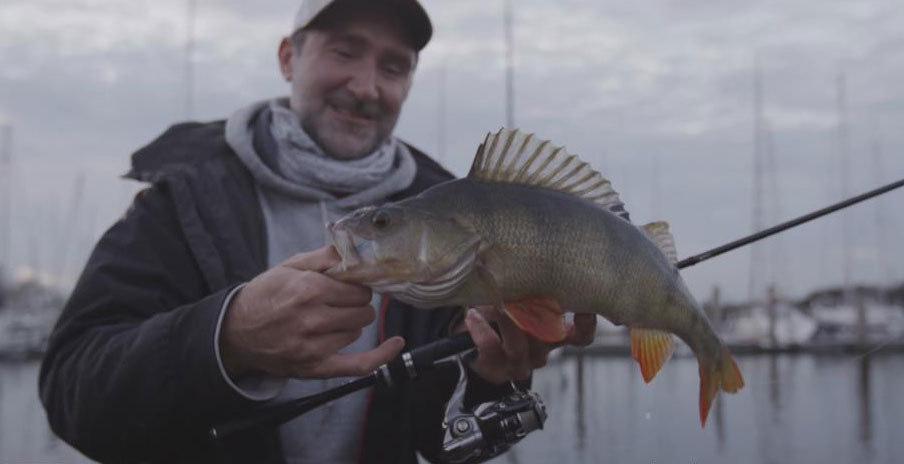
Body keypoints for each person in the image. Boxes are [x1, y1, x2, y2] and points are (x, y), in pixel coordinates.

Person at [39, 0, 597, 463]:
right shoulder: (183, 196)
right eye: (344, 51)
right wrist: (225, 338)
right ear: (288, 57)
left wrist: (486, 378)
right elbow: (71, 394)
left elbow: (440, 437)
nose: (365, 86)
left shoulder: (451, 214)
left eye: (394, 66)